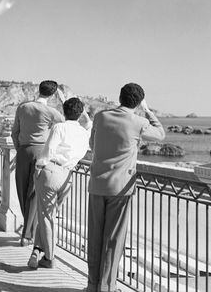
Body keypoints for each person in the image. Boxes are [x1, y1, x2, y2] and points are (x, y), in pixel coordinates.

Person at [86, 83, 165, 292]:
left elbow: (92, 145)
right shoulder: (139, 122)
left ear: (120, 97)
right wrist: (148, 111)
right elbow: (160, 135)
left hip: (96, 185)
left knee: (94, 238)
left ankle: (92, 285)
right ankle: (106, 288)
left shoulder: (100, 117)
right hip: (120, 189)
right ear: (138, 102)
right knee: (113, 240)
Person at [28, 97, 92, 269]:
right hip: (67, 177)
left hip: (51, 171)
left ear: (63, 112)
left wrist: (38, 168)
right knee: (48, 215)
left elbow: (48, 150)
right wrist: (83, 113)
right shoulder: (85, 133)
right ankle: (36, 250)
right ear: (79, 114)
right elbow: (89, 122)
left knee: (46, 217)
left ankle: (49, 257)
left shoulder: (59, 127)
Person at [11, 80, 64, 246]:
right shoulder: (51, 112)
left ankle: (27, 230)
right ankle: (27, 235)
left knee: (21, 190)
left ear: (38, 89)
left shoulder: (23, 107)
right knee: (33, 193)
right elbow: (66, 125)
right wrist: (63, 101)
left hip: (23, 151)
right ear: (53, 94)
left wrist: (20, 149)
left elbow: (14, 133)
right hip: (41, 153)